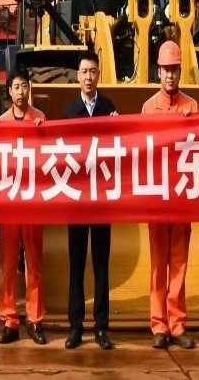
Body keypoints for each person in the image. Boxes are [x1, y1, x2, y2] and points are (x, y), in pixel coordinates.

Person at [141, 40, 198, 351]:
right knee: (157, 264)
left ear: (180, 71)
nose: (170, 75)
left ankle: (177, 324)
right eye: (165, 70)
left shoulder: (192, 107)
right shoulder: (148, 108)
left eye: (174, 69)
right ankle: (159, 325)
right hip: (157, 200)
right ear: (158, 71)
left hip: (182, 198)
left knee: (179, 263)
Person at [64, 51, 119, 350]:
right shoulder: (69, 112)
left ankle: (101, 326)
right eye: (84, 72)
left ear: (99, 74)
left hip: (101, 200)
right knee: (76, 264)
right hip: (77, 201)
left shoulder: (109, 109)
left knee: (101, 265)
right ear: (77, 76)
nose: (88, 77)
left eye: (93, 71)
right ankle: (75, 326)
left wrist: (118, 126)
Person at [0, 68, 47, 346]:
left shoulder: (40, 119)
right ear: (9, 91)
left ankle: (35, 319)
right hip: (9, 203)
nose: (21, 91)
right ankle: (9, 319)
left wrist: (43, 134)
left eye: (24, 86)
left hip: (32, 202)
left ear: (29, 89)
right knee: (7, 264)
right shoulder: (1, 123)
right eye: (16, 87)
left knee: (34, 263)